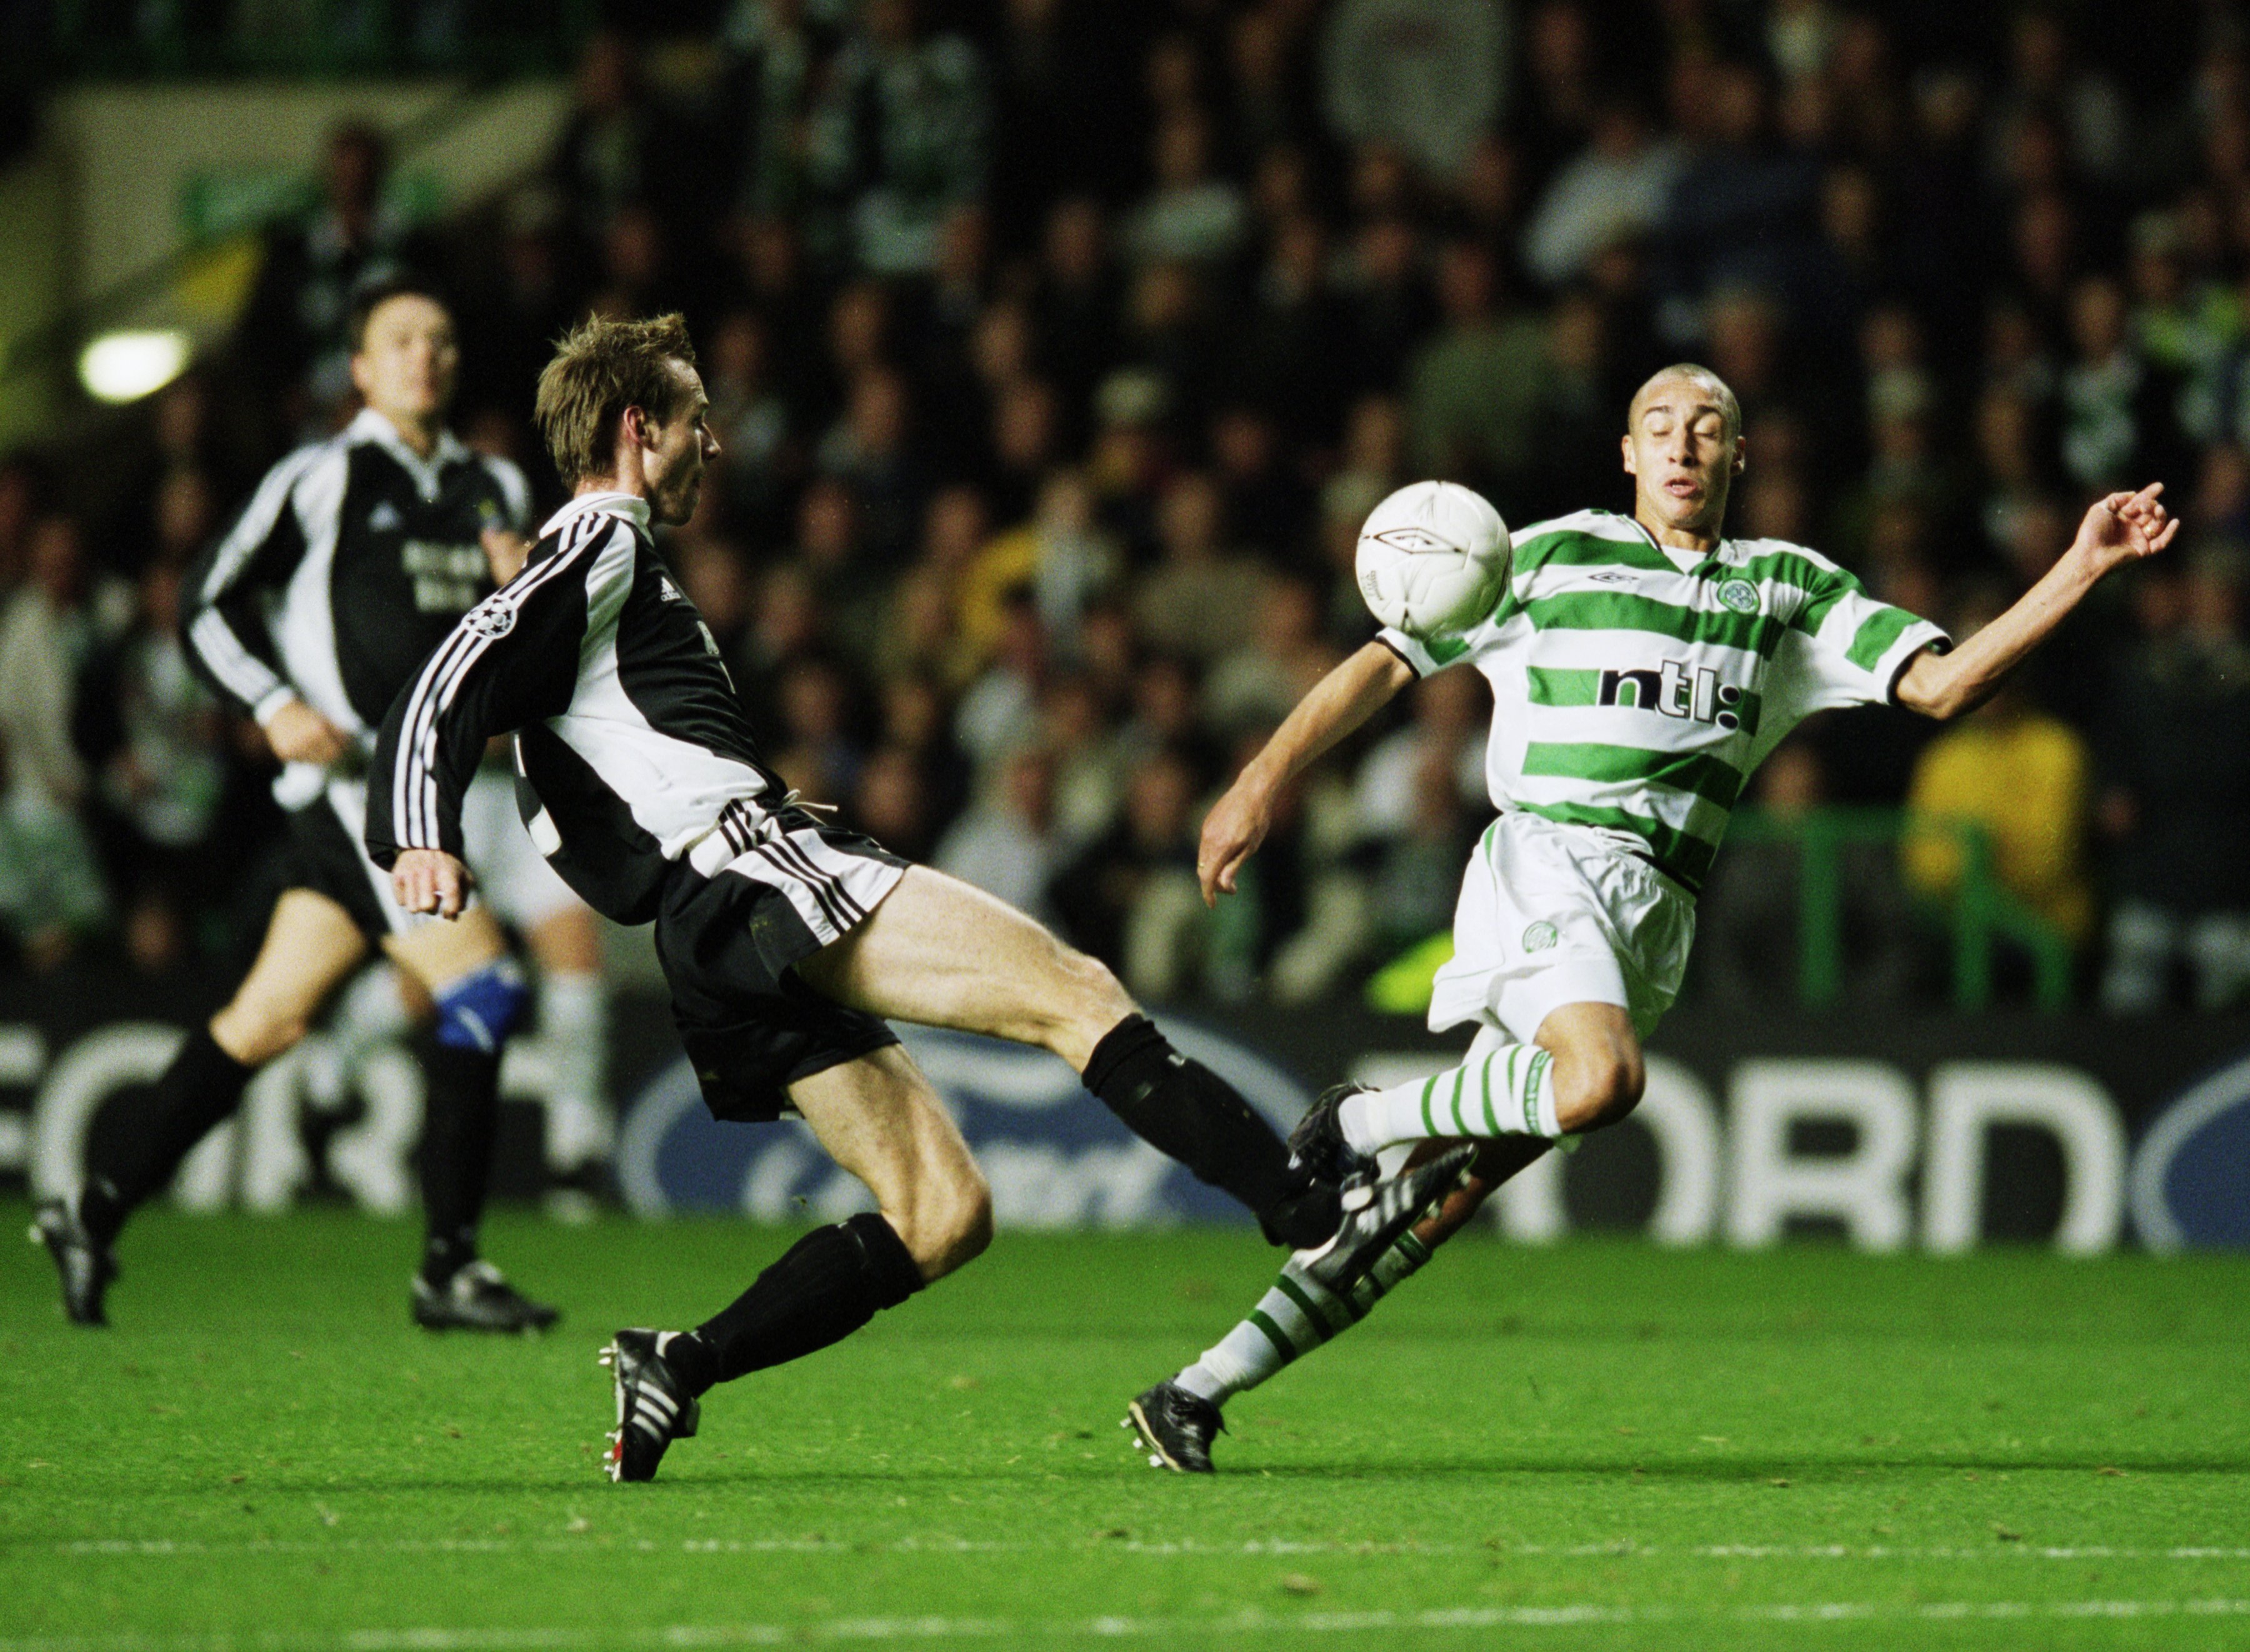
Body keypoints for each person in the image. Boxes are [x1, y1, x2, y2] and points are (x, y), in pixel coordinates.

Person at [363, 312, 1466, 1484]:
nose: (713, 447)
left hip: (710, 926)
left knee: (943, 1213)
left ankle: (678, 1366)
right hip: (755, 877)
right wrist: (416, 834)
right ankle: (1307, 1204)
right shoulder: (602, 544)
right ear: (641, 430)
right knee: (1072, 993)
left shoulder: (592, 567)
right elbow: (442, 684)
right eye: (696, 421)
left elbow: (578, 741)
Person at [1122, 362, 2178, 1472]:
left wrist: (2080, 565)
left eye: (1707, 429)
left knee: (1434, 1201)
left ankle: (1196, 1390)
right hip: (1549, 859)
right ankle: (1356, 1122)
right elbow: (1385, 666)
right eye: (1660, 428)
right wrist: (1258, 781)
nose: (1682, 446)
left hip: (1656, 917)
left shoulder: (1787, 589)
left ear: (1739, 457)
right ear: (1627, 454)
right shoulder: (1546, 556)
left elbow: (1948, 687)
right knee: (1600, 1083)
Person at [31, 273, 560, 1335]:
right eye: (402, 339)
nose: (427, 354)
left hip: (431, 791)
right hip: (363, 793)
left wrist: (524, 585)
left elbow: (525, 651)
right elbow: (203, 598)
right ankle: (448, 1268)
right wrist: (273, 703)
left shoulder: (495, 486)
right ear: (362, 369)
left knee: (263, 1022)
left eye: (442, 339)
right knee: (486, 991)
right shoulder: (319, 478)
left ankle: (89, 1211)